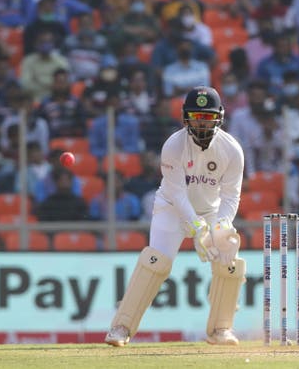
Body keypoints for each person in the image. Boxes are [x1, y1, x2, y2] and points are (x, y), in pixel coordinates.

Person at [105, 86, 245, 347]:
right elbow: (177, 194)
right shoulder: (173, 145)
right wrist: (197, 229)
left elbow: (230, 197)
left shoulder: (232, 150)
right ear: (185, 117)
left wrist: (221, 227)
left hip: (211, 210)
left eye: (207, 118)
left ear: (219, 118)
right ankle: (121, 327)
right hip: (171, 208)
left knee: (229, 256)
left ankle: (220, 330)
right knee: (156, 261)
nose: (201, 124)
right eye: (196, 117)